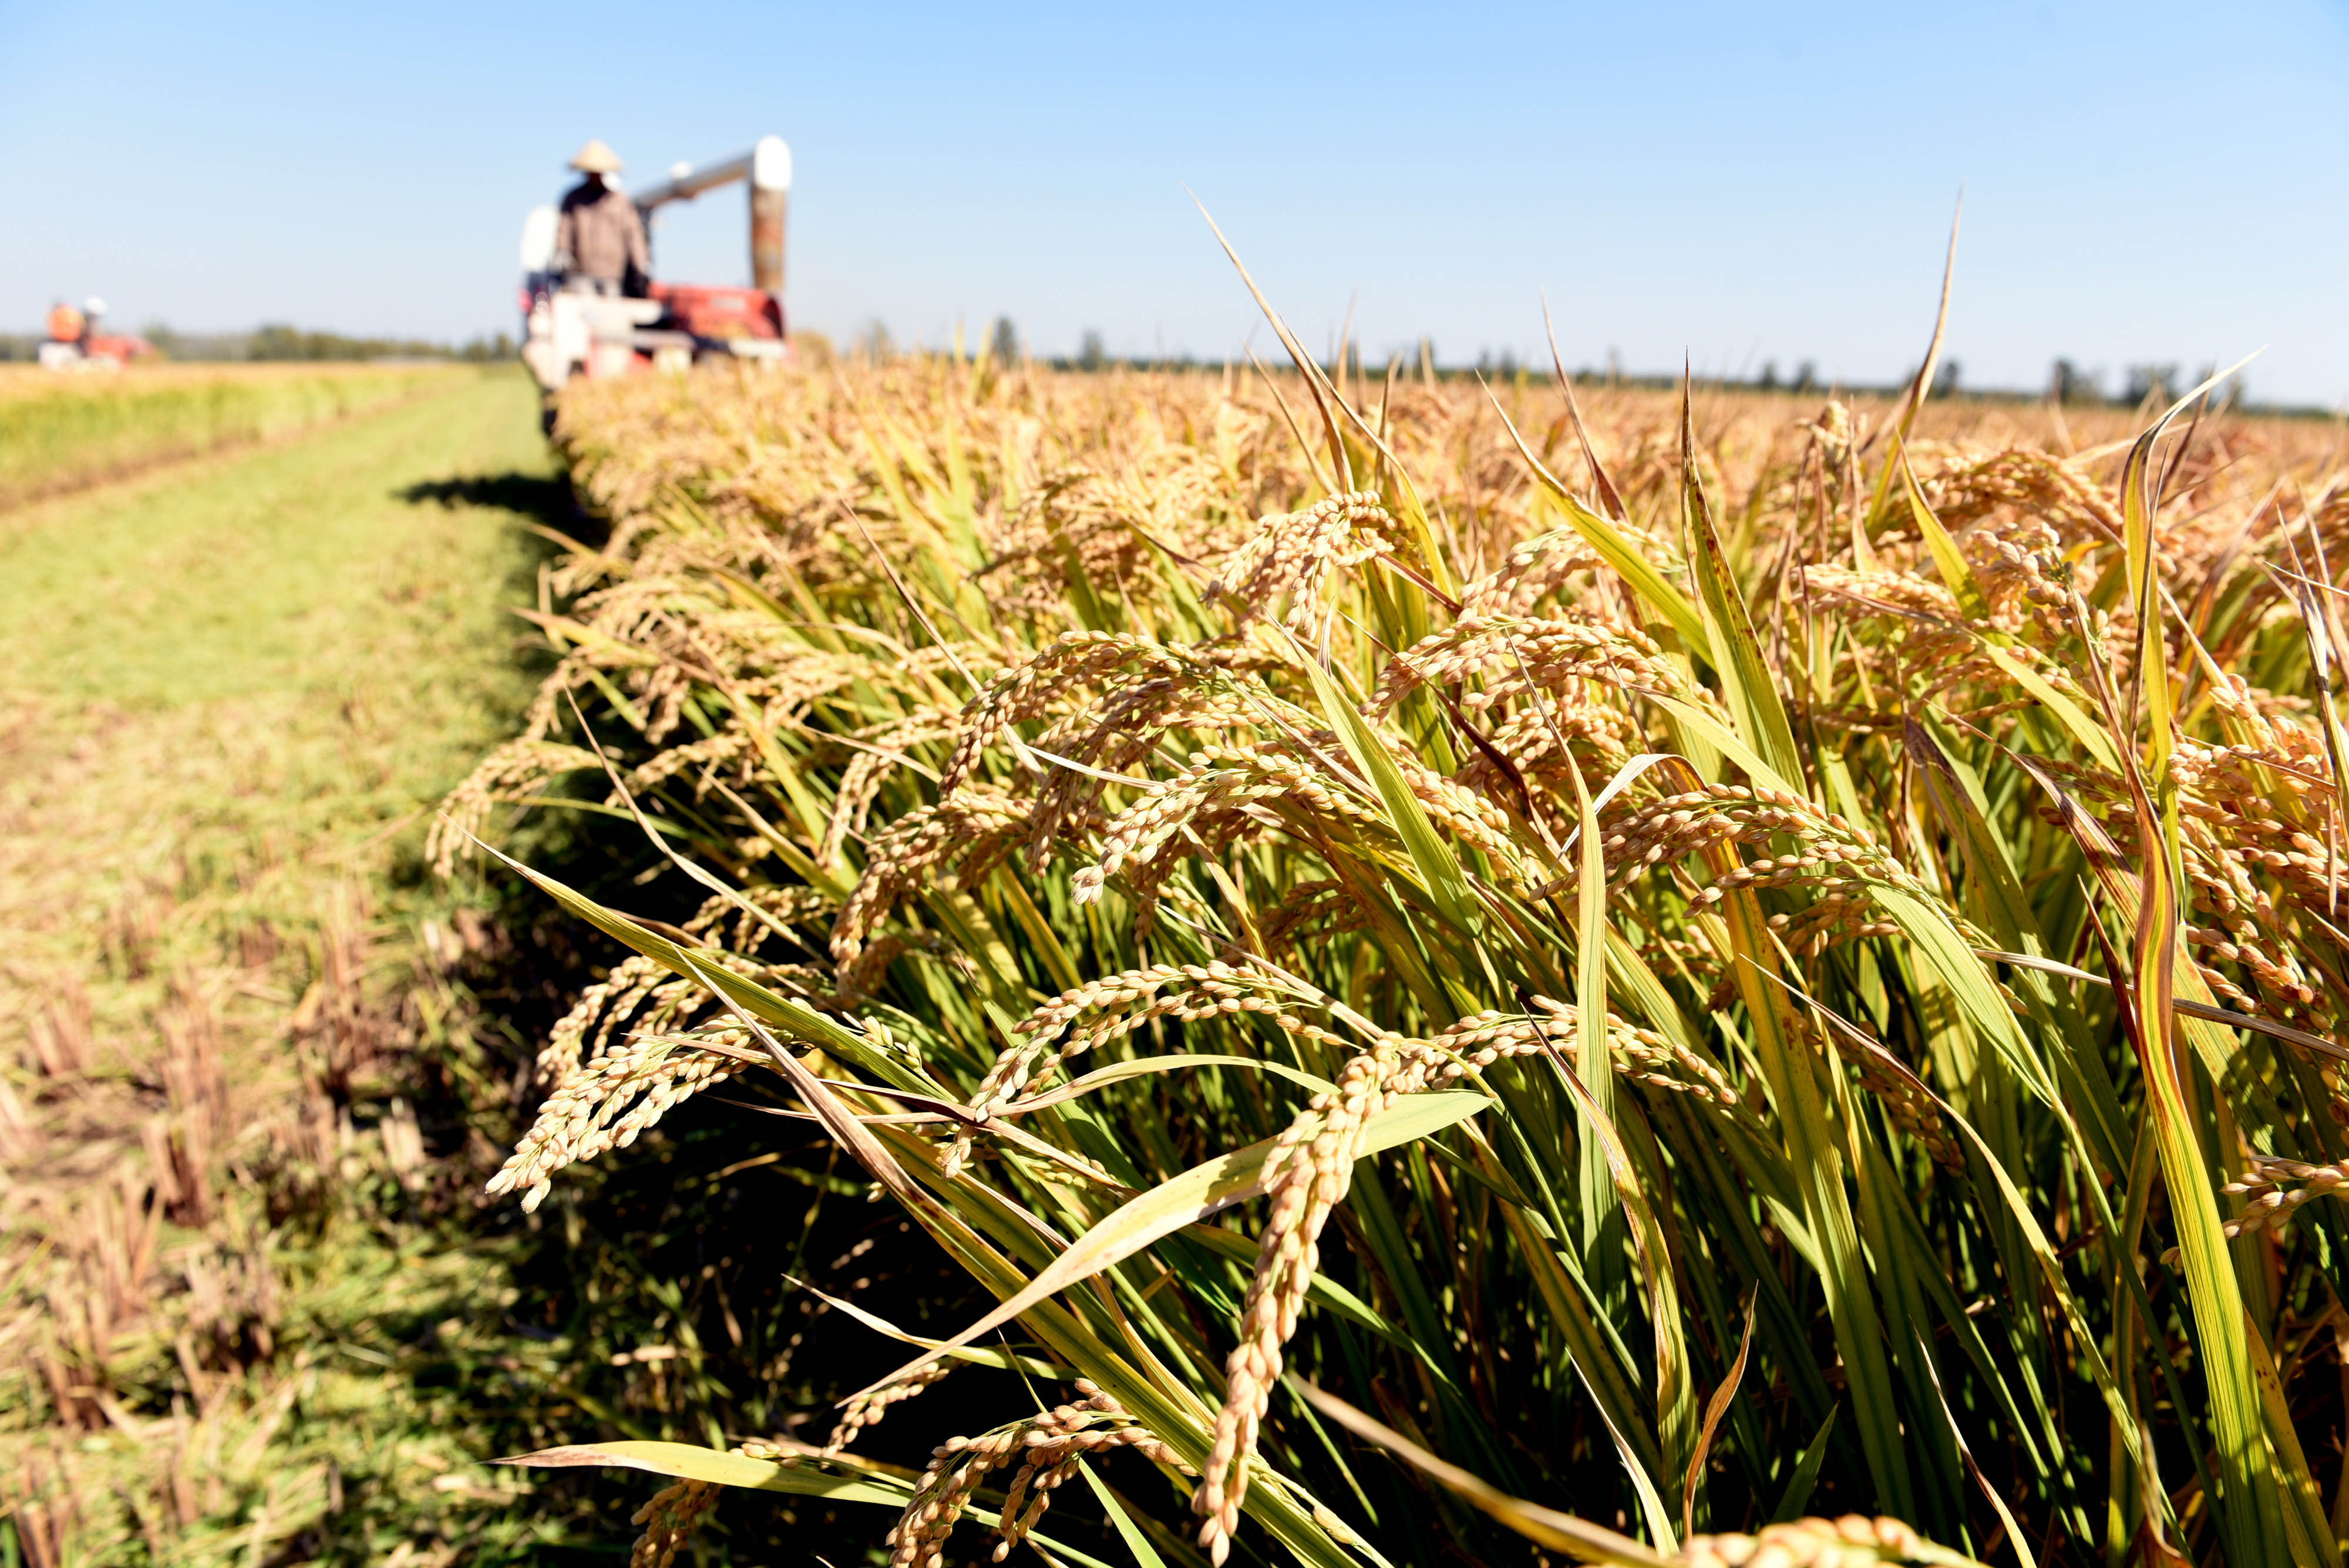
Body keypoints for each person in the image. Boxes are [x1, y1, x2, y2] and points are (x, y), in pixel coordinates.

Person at [553, 140, 648, 297]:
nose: (594, 176)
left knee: (611, 309)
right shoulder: (574, 199)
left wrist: (641, 263)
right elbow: (564, 228)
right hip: (582, 272)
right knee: (584, 307)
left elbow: (634, 234)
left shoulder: (620, 201)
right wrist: (562, 250)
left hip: (612, 273)